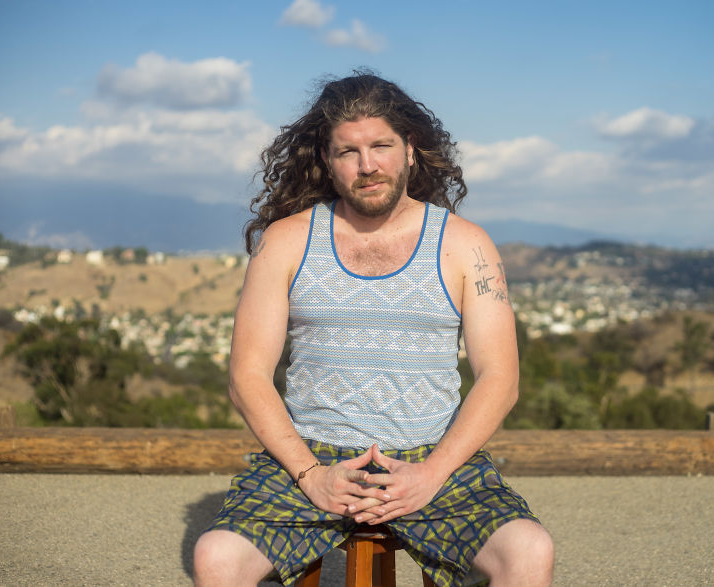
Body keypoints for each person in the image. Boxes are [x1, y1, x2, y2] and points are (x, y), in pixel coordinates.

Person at [193, 71, 554, 587]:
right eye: (348, 152)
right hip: (310, 457)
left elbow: (501, 377)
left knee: (530, 551)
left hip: (435, 459)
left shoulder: (466, 245)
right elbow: (247, 375)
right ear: (326, 159)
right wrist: (310, 474)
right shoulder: (285, 241)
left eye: (381, 146)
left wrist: (431, 474)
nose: (367, 166)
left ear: (410, 148)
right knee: (216, 557)